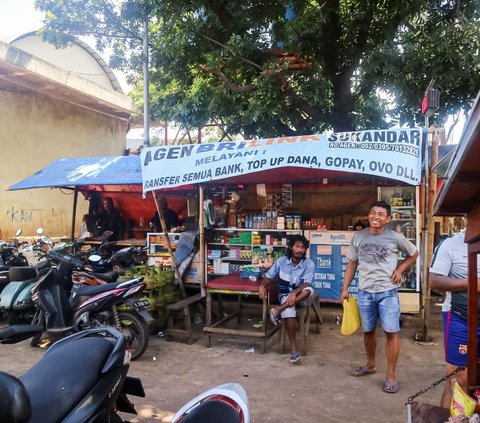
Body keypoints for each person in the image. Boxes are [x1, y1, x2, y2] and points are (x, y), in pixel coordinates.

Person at [341, 200, 418, 394]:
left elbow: (414, 253)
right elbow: (352, 264)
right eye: (373, 213)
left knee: (391, 332)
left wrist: (400, 269)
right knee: (368, 331)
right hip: (365, 292)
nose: (376, 217)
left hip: (388, 292)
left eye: (381, 214)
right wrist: (345, 288)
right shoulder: (359, 236)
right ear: (369, 215)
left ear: (388, 219)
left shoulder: (395, 237)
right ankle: (371, 364)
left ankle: (391, 375)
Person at [429, 229, 480, 408]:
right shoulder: (451, 244)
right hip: (460, 319)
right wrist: (473, 282)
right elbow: (434, 281)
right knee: (458, 381)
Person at [258, 234, 315, 364]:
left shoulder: (308, 264)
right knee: (289, 312)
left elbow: (306, 283)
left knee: (308, 290)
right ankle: (294, 349)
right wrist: (262, 286)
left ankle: (278, 309)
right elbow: (269, 276)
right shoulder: (281, 261)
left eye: (302, 247)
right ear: (291, 247)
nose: (300, 250)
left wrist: (294, 293)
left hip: (300, 296)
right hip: (284, 295)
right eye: (297, 246)